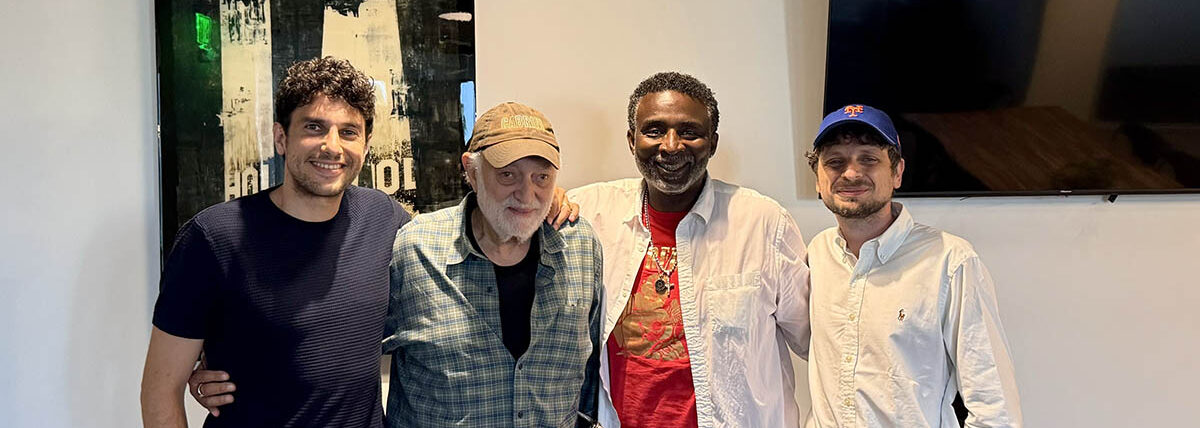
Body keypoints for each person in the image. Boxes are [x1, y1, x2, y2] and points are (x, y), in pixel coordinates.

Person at [140, 56, 411, 428]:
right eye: (314, 127)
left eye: (349, 132)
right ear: (281, 138)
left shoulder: (383, 217)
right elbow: (159, 392)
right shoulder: (212, 237)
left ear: (365, 146)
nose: (332, 146)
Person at [567, 72, 811, 427]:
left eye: (689, 132)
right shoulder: (590, 213)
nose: (671, 146)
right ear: (632, 140)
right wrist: (546, 197)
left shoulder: (763, 224)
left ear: (712, 143)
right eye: (654, 131)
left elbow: (816, 343)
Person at [382, 101, 602, 427]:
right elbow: (354, 362)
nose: (527, 195)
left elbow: (593, 367)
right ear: (472, 172)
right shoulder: (415, 249)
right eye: (507, 175)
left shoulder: (580, 245)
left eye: (542, 177)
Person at [804, 104, 1022, 427]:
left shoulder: (950, 262)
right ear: (819, 180)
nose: (850, 173)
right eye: (835, 162)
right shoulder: (817, 254)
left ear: (897, 172)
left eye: (869, 159)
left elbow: (994, 406)